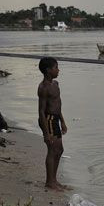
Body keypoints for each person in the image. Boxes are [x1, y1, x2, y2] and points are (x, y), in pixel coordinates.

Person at [37, 57, 67, 190]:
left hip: (55, 119)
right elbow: (41, 111)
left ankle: (54, 179)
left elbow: (58, 106)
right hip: (48, 120)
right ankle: (49, 182)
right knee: (52, 150)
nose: (58, 70)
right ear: (48, 70)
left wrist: (63, 122)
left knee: (59, 150)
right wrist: (46, 133)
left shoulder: (56, 84)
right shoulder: (43, 88)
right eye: (56, 68)